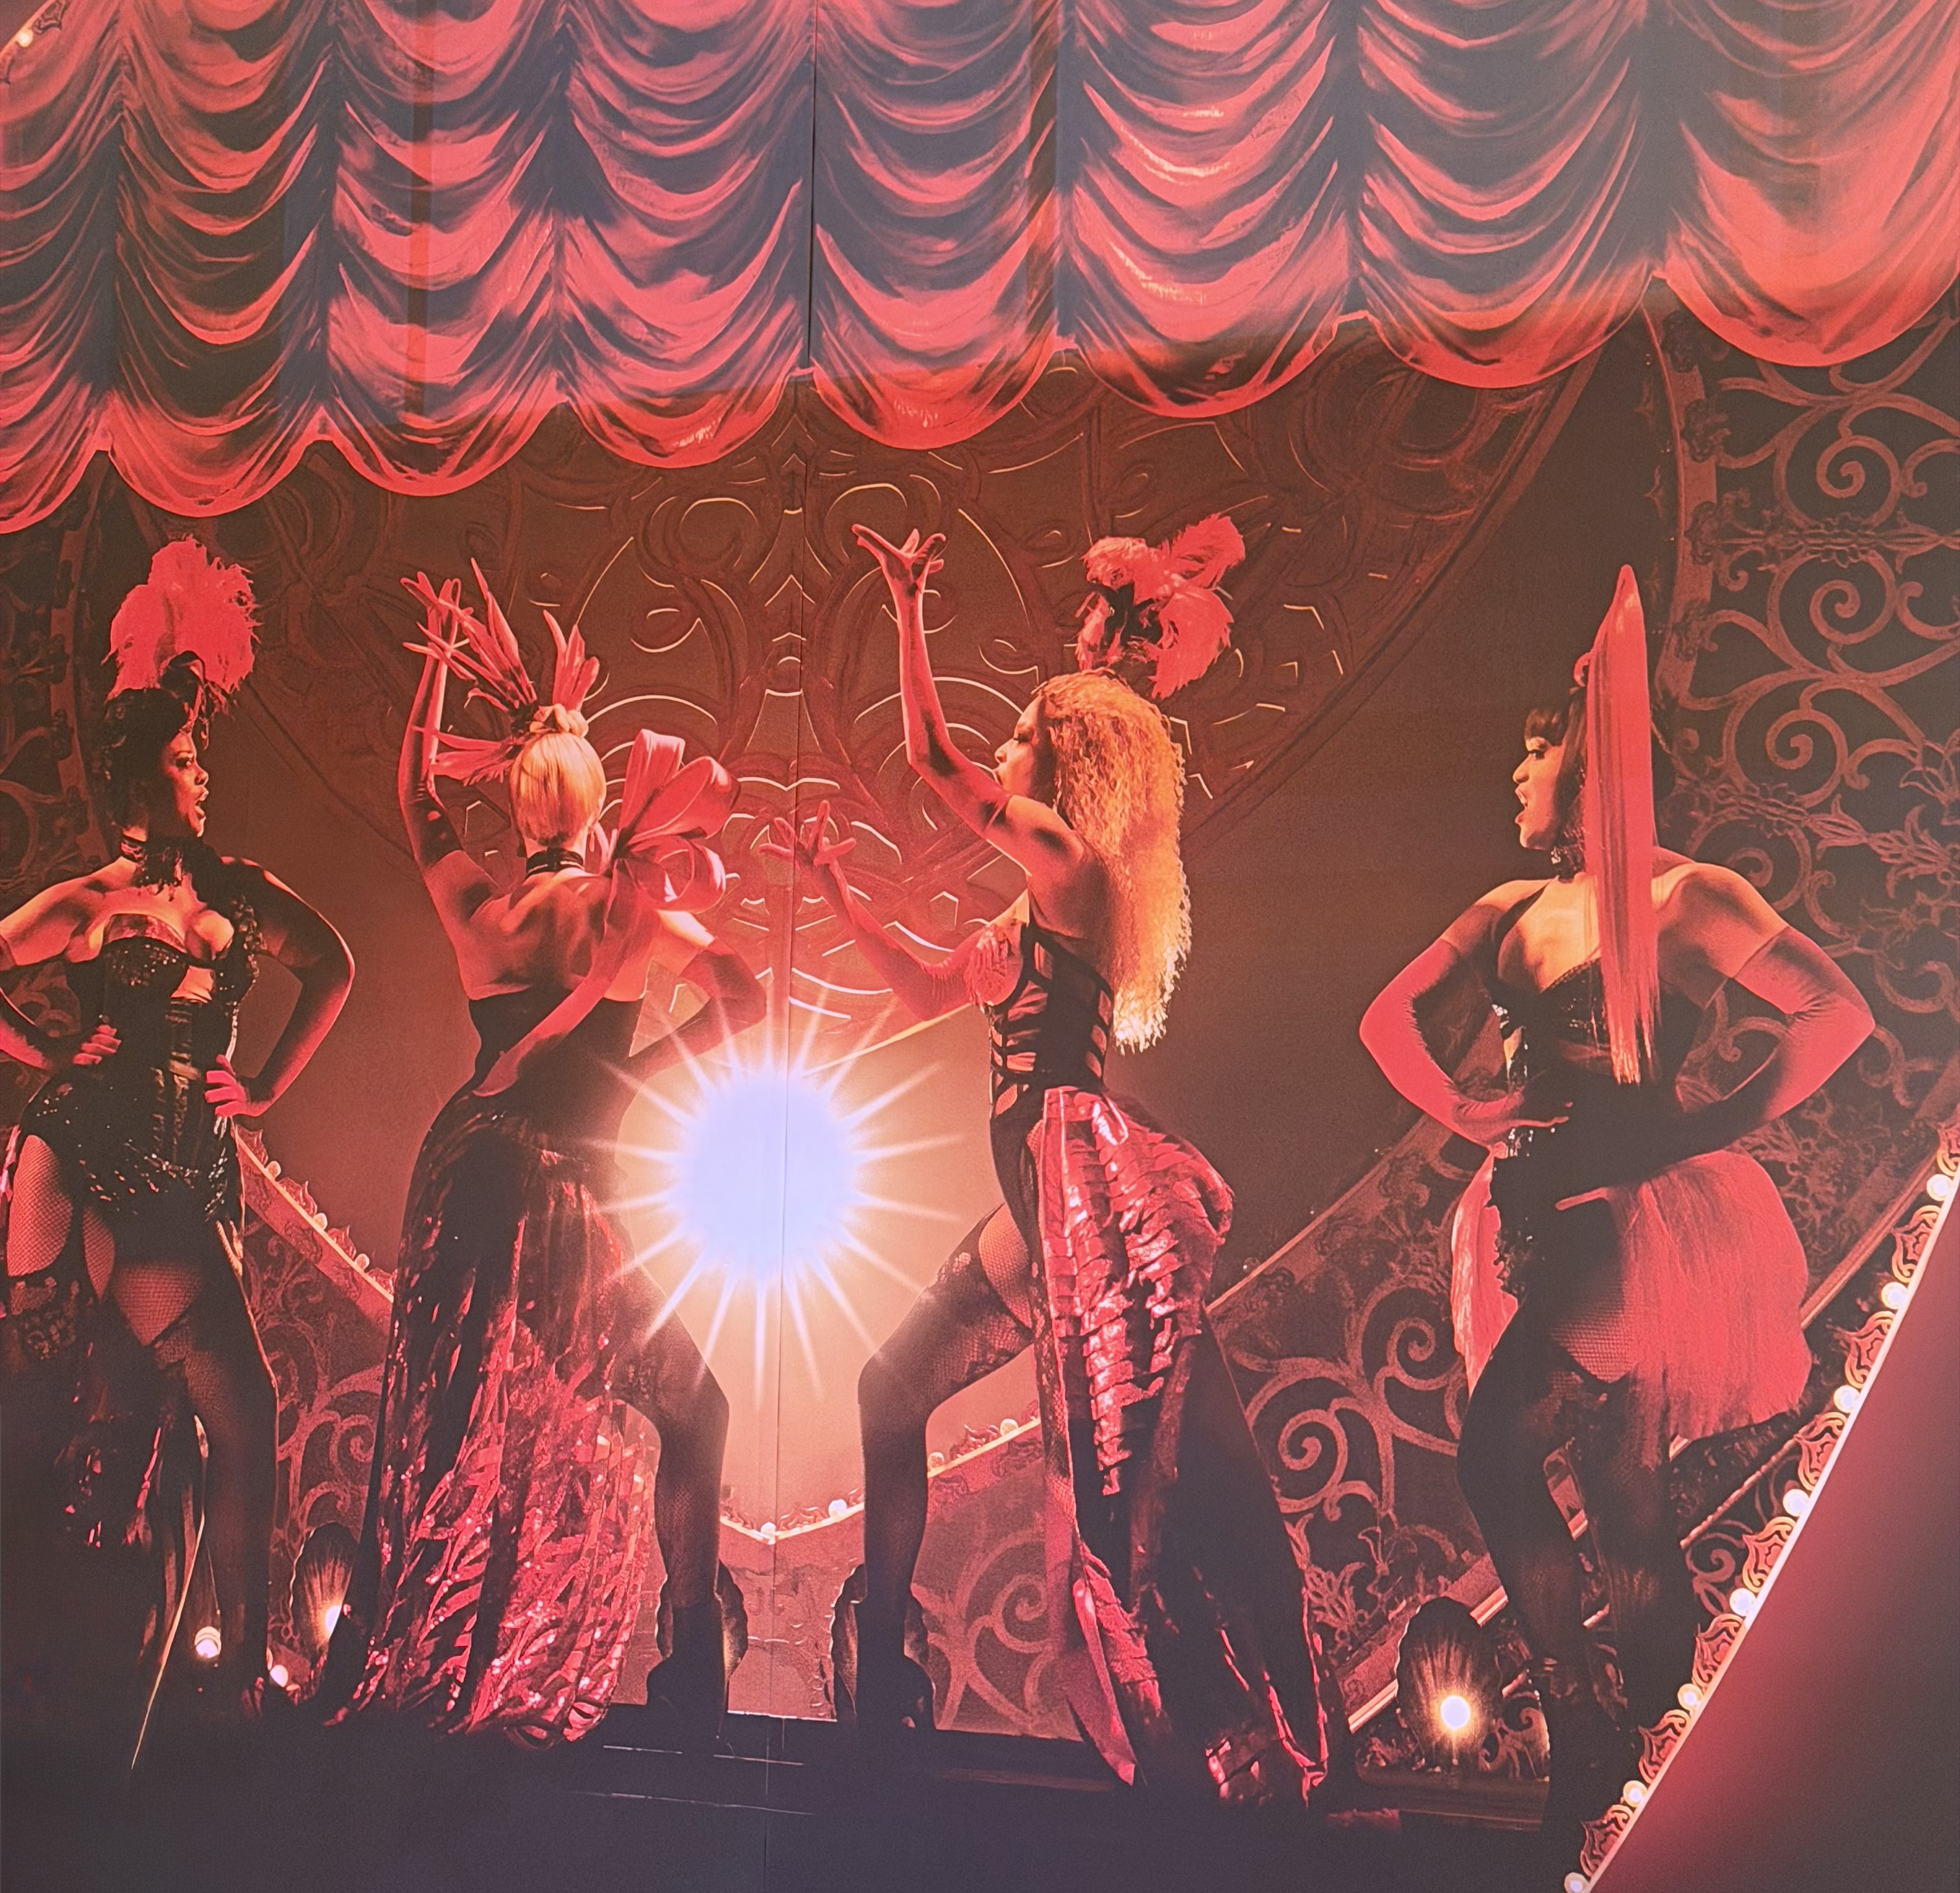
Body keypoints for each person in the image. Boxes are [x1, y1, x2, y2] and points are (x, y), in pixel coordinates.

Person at [771, 516, 1334, 1802]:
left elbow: (932, 760)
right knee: (888, 1390)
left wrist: (906, 608)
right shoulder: (1033, 907)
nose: (1006, 749)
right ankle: (885, 1670)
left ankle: (1275, 1744)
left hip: (1083, 1203)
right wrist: (838, 893)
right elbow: (926, 988)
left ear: (1064, 767)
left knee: (1183, 1483)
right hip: (1041, 1216)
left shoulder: (1076, 871)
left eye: (1024, 735)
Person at [1359, 567, 1872, 1836]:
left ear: (1579, 759)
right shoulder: (1509, 909)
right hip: (1537, 1221)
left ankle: (1588, 1736)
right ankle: (1663, 1759)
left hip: (1626, 1231)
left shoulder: (1685, 899)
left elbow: (1835, 1012)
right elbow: (1383, 1018)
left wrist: (1708, 1125)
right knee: (1626, 1503)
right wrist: (1467, 1111)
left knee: (1496, 1455)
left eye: (1530, 759)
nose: (1513, 782)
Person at [321, 571, 764, 1746]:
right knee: (691, 1408)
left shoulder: (483, 909)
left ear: (517, 813)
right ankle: (688, 1661)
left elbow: (417, 800)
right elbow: (746, 997)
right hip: (565, 1190)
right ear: (598, 802)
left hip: (466, 1166)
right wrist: (647, 1071)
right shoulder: (630, 915)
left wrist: (433, 672)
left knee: (460, 1422)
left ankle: (423, 1650)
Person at [0, 540, 354, 1713]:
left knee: (131, 1426)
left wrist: (269, 1088)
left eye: (200, 757)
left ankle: (124, 1693)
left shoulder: (238, 890)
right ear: (142, 781)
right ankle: (242, 1680)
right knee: (223, 1414)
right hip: (94, 1157)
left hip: (190, 1167)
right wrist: (51, 1051)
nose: (202, 774)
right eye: (185, 760)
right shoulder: (93, 901)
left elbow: (334, 966)